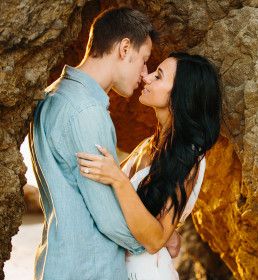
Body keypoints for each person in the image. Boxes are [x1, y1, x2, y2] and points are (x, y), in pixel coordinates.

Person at [29, 7, 180, 279]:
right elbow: (108, 216)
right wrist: (154, 241)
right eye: (144, 60)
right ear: (124, 49)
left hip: (57, 261)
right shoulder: (87, 112)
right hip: (90, 269)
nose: (144, 73)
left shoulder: (53, 95)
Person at [76, 52, 222, 279]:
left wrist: (118, 179)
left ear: (178, 95)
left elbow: (155, 241)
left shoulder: (189, 159)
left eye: (158, 76)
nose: (147, 77)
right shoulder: (148, 145)